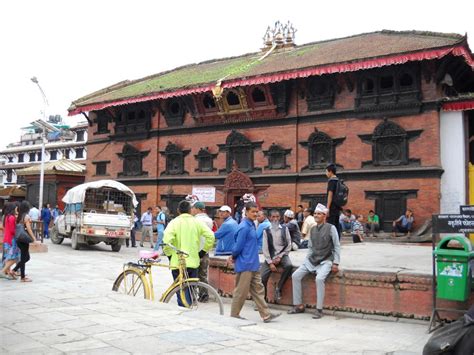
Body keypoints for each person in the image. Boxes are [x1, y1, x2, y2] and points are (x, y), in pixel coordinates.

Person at [228, 201, 281, 323]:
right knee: (241, 291)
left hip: (253, 263)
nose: (255, 214)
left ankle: (266, 314)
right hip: (245, 263)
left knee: (258, 289)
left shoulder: (251, 225)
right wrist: (232, 256)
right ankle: (234, 314)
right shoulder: (244, 227)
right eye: (253, 211)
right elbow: (238, 246)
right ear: (246, 212)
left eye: (257, 212)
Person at [288, 203, 341, 319]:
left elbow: (337, 246)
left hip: (326, 260)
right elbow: (310, 248)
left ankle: (319, 309)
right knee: (296, 275)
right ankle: (298, 305)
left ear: (324, 215)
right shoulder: (312, 229)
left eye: (319, 214)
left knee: (319, 279)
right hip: (312, 260)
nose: (316, 215)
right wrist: (306, 261)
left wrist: (336, 263)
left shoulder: (331, 228)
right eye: (315, 214)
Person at [163, 200, 215, 307]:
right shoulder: (197, 222)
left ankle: (183, 310)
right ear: (190, 210)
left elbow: (166, 241)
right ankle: (189, 308)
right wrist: (202, 251)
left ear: (178, 210)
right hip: (193, 262)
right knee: (191, 291)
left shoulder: (173, 223)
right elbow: (211, 237)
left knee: (181, 290)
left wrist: (169, 255)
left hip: (177, 262)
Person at [261, 210, 293, 302]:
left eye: (277, 217)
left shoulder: (284, 229)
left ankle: (279, 288)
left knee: (289, 266)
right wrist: (270, 262)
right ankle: (263, 300)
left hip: (282, 255)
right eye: (273, 217)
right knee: (262, 277)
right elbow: (265, 248)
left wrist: (280, 256)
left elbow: (288, 244)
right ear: (270, 218)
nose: (275, 219)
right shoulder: (266, 231)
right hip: (270, 256)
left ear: (280, 218)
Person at [190, 201, 214, 303]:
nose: (191, 210)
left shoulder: (194, 220)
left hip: (195, 251)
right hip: (205, 251)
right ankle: (204, 295)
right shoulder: (209, 220)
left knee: (192, 275)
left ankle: (191, 296)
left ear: (197, 209)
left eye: (193, 208)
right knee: (203, 275)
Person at [12, 201, 38, 282]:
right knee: (24, 258)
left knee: (26, 257)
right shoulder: (26, 216)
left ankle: (15, 270)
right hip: (24, 239)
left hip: (18, 239)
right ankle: (22, 277)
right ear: (27, 208)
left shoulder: (18, 216)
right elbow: (29, 229)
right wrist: (34, 238)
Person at [1, 203, 20, 280]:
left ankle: (8, 273)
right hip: (11, 240)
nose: (16, 209)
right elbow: (12, 230)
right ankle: (3, 271)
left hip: (6, 239)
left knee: (8, 257)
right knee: (14, 257)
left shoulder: (6, 217)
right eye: (15, 208)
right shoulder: (12, 217)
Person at [326, 163, 342, 239]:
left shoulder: (331, 181)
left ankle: (332, 241)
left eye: (326, 171)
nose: (325, 173)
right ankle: (337, 241)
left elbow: (330, 194)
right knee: (336, 224)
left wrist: (328, 208)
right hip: (338, 206)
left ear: (330, 171)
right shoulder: (338, 180)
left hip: (332, 206)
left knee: (330, 224)